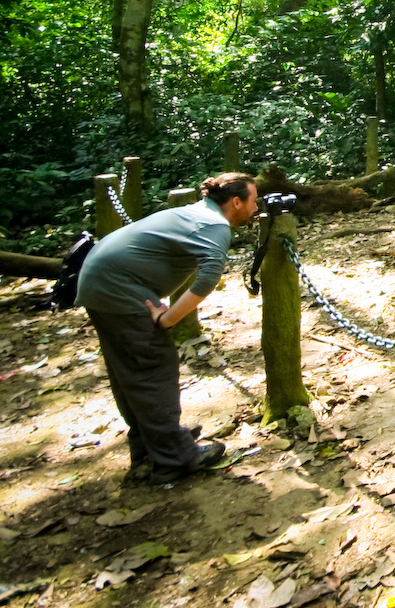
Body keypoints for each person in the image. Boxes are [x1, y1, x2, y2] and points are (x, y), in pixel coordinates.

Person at [77, 172, 260, 483]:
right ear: (236, 202)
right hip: (118, 290)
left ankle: (152, 447)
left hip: (99, 283)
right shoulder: (215, 226)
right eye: (254, 201)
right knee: (153, 369)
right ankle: (175, 459)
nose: (257, 208)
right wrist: (169, 318)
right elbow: (208, 278)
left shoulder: (197, 212)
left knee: (131, 372)